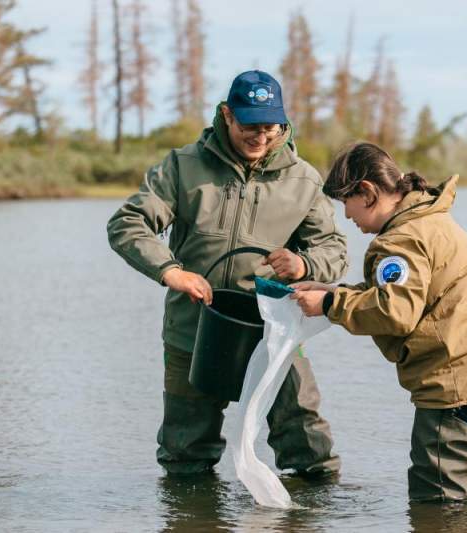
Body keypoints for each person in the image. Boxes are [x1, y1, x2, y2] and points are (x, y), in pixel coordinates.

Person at [107, 70, 348, 477]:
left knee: (308, 447)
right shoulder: (182, 166)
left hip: (275, 331)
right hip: (193, 328)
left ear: (283, 124)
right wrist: (170, 271)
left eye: (270, 128)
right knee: (185, 454)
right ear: (227, 115)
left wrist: (304, 264)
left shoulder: (304, 179)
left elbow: (334, 251)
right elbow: (126, 223)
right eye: (249, 127)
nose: (260, 138)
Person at [291, 142, 467, 501]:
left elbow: (395, 312)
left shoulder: (401, 240)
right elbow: (405, 294)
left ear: (367, 192)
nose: (347, 216)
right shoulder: (425, 219)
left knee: (437, 497)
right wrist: (334, 290)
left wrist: (328, 304)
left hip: (458, 380)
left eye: (346, 204)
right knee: (445, 488)